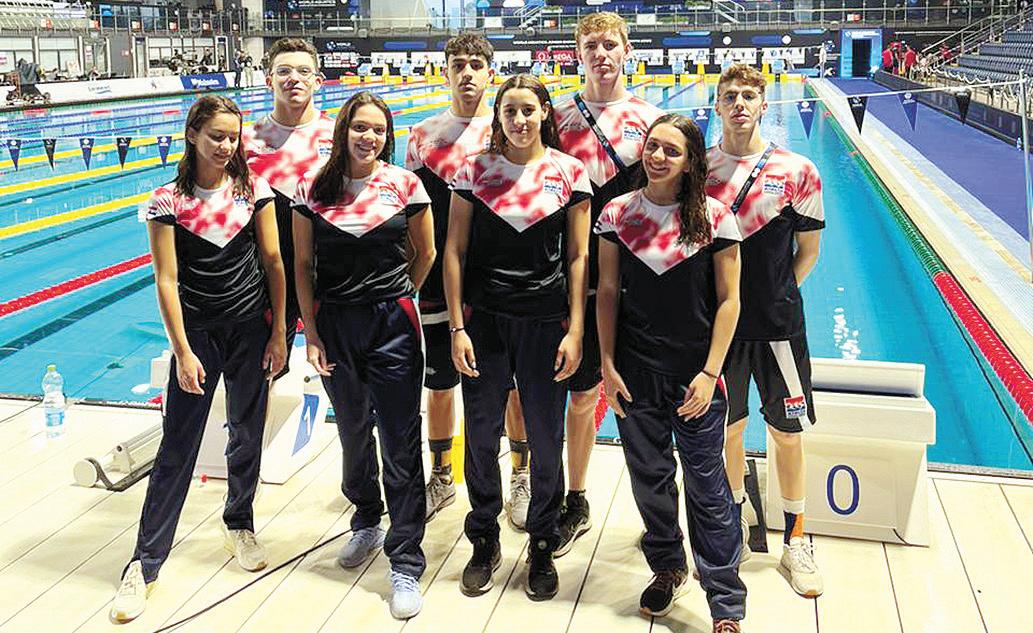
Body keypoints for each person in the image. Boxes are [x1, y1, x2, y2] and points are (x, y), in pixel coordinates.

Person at [109, 95, 287, 623]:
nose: (226, 145)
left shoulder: (254, 190)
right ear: (192, 135)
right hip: (199, 336)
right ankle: (144, 563)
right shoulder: (167, 200)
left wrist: (280, 332)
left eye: (233, 137)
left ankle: (239, 524)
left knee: (247, 432)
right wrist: (182, 350)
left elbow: (274, 261)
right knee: (178, 446)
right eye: (216, 136)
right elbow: (166, 280)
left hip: (251, 331)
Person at [443, 74, 592, 601]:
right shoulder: (474, 170)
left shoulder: (569, 172)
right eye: (510, 110)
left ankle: (543, 542)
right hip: (485, 322)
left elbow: (579, 256)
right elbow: (454, 251)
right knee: (481, 438)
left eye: (529, 109)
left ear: (545, 112)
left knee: (546, 440)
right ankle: (484, 537)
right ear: (499, 116)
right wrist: (457, 327)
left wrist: (577, 329)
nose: (520, 120)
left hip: (545, 323)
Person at [596, 113, 747, 632]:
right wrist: (608, 364)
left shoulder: (715, 217)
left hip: (694, 377)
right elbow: (607, 292)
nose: (658, 157)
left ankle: (725, 599)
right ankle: (667, 566)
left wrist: (710, 372)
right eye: (652, 146)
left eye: (672, 151)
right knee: (650, 480)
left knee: (708, 487)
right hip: (636, 372)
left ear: (690, 163)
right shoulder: (618, 213)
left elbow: (729, 302)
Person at [293, 91, 434, 620]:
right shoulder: (313, 188)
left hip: (393, 324)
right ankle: (367, 519)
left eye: (378, 129)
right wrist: (311, 333)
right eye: (360, 127)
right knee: (352, 430)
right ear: (343, 132)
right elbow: (302, 264)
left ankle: (406, 560)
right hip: (334, 323)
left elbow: (426, 253)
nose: (368, 137)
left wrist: (400, 295)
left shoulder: (405, 184)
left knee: (400, 439)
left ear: (387, 136)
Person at [540, 11, 663, 557]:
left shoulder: (651, 119)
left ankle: (659, 517)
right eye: (590, 45)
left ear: (626, 50)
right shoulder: (557, 117)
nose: (601, 54)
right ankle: (576, 498)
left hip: (638, 280)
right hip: (576, 275)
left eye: (610, 44)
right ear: (578, 53)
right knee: (582, 392)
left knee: (647, 398)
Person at [706, 64, 825, 598]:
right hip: (721, 332)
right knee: (728, 431)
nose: (739, 104)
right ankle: (734, 516)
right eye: (730, 95)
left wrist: (775, 296)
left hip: (779, 330)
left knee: (787, 433)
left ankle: (796, 539)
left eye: (749, 96)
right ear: (717, 105)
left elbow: (809, 252)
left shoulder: (797, 170)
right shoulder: (701, 171)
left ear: (763, 104)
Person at [404, 34, 532, 526]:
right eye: (458, 64)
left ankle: (521, 475)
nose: (467, 73)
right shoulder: (422, 135)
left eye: (477, 64)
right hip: (439, 278)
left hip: (497, 279)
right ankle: (441, 475)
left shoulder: (508, 132)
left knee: (513, 385)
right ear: (446, 72)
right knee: (439, 381)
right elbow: (414, 213)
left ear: (490, 73)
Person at [243, 38, 335, 372]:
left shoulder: (339, 135)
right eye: (283, 71)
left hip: (328, 274)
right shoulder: (247, 139)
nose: (293, 78)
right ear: (269, 81)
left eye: (303, 71)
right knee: (266, 373)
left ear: (318, 81)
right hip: (265, 276)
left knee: (340, 373)